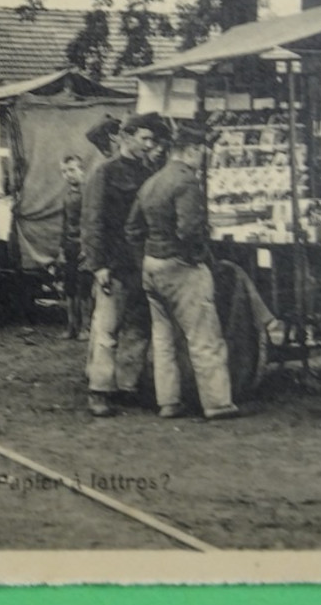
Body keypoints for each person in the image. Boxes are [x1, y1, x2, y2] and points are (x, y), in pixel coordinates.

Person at [126, 119, 239, 421]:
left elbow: (133, 229)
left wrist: (145, 260)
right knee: (205, 337)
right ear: (191, 150)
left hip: (152, 266)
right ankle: (217, 403)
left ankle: (169, 402)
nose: (204, 156)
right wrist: (197, 259)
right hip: (181, 268)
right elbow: (189, 231)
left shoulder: (151, 182)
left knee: (163, 340)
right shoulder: (187, 181)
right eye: (202, 150)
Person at [79, 111, 169, 417]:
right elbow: (92, 222)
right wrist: (98, 265)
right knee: (107, 329)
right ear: (127, 138)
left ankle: (127, 386)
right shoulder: (104, 173)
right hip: (115, 264)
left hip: (142, 263)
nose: (148, 144)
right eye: (144, 139)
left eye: (151, 140)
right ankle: (100, 391)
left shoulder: (150, 173)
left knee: (139, 327)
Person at [57, 153, 89, 341]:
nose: (68, 174)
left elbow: (90, 222)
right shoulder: (67, 196)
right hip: (69, 246)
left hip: (83, 246)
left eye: (72, 170)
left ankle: (86, 328)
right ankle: (72, 327)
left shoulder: (88, 192)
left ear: (81, 170)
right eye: (64, 171)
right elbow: (64, 223)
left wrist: (87, 247)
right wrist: (61, 249)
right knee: (70, 288)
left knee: (84, 288)